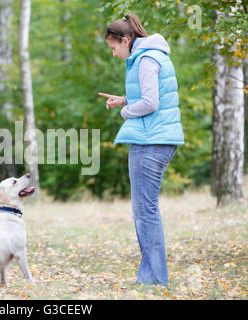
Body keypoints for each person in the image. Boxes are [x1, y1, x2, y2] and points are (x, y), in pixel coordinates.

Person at [98, 14, 184, 286]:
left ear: (126, 40)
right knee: (143, 210)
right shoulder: (149, 55)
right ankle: (151, 276)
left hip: (152, 141)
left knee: (144, 211)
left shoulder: (146, 59)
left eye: (114, 48)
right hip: (155, 139)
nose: (114, 55)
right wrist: (123, 98)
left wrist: (125, 111)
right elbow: (149, 94)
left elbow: (150, 102)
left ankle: (155, 279)